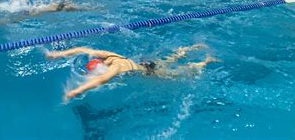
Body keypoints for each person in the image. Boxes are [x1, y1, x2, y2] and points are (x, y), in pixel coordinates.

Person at [47, 44, 218, 99]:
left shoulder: (115, 68)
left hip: (148, 73)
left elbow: (101, 80)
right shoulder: (110, 56)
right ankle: (185, 50)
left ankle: (204, 62)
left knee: (179, 73)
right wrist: (59, 54)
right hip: (145, 64)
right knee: (169, 60)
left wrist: (76, 91)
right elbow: (83, 49)